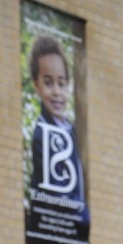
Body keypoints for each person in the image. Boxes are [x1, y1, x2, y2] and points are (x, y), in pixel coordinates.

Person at [26, 35, 86, 218]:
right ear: (36, 86)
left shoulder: (70, 128)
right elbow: (58, 197)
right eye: (48, 83)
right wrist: (85, 217)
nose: (56, 92)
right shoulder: (42, 135)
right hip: (57, 222)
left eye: (61, 83)